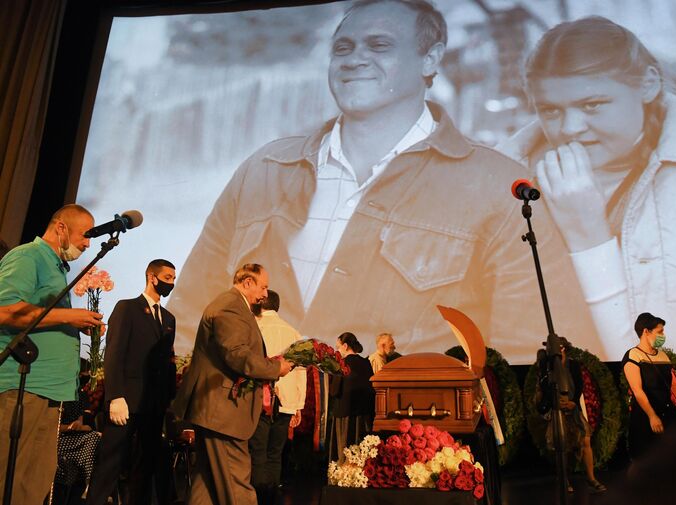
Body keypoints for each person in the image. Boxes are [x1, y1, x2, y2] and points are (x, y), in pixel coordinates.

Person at [167, 0, 600, 364]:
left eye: (379, 45)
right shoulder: (262, 169)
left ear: (430, 59)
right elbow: (191, 315)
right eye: (343, 47)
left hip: (403, 439)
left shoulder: (499, 187)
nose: (355, 58)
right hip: (247, 433)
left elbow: (525, 352)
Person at [497, 15, 676, 359]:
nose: (570, 127)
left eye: (592, 105)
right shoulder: (503, 183)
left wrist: (589, 237)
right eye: (550, 110)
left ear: (648, 84)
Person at [0, 204, 102, 504]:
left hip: (48, 391)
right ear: (60, 228)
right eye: (85, 235)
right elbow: (6, 310)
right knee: (11, 476)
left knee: (36, 479)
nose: (88, 243)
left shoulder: (55, 267)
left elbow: (40, 318)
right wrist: (69, 318)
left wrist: (74, 326)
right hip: (22, 388)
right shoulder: (27, 256)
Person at [172, 263, 293, 505]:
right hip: (223, 413)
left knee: (206, 483)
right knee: (237, 482)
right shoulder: (230, 307)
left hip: (215, 411)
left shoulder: (233, 306)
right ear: (247, 282)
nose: (265, 294)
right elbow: (237, 354)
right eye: (263, 287)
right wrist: (275, 368)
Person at [85, 259, 178, 505]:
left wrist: (168, 399)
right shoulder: (127, 308)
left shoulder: (169, 319)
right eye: (167, 277)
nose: (171, 283)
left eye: (173, 278)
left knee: (145, 466)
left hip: (153, 403)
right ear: (152, 277)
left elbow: (168, 361)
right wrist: (115, 395)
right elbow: (114, 354)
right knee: (111, 462)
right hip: (125, 401)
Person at [248, 289, 306, 505]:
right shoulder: (293, 332)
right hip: (287, 401)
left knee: (257, 453)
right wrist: (298, 405)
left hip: (258, 400)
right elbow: (301, 371)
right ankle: (270, 499)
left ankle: (256, 500)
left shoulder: (253, 327)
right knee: (275, 454)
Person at [535, 337, 606, 493]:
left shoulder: (573, 364)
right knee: (562, 445)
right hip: (556, 410)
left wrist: (573, 401)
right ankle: (564, 479)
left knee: (585, 441)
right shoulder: (547, 366)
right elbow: (544, 386)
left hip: (573, 408)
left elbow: (579, 384)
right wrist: (555, 402)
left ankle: (591, 478)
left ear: (564, 348)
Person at [622, 312, 676, 462]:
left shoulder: (663, 355)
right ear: (646, 332)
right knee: (647, 460)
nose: (663, 335)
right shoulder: (633, 356)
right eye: (659, 332)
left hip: (667, 413)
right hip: (645, 416)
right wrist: (652, 416)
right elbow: (637, 390)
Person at [329, 332, 374, 463]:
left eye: (338, 347)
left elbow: (334, 391)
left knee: (345, 450)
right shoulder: (366, 363)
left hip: (345, 413)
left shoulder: (342, 364)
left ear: (345, 345)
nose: (337, 350)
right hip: (364, 415)